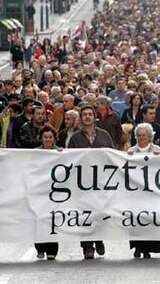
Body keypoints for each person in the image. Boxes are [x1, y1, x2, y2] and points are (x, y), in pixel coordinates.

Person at [68, 105, 114, 259]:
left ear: (95, 117)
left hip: (101, 182)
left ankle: (99, 238)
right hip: (82, 183)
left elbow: (111, 156)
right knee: (85, 215)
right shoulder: (75, 138)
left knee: (100, 212)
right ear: (80, 118)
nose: (87, 117)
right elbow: (69, 158)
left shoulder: (104, 135)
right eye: (84, 115)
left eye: (90, 114)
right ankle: (87, 246)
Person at [127, 123, 160, 259]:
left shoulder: (157, 149)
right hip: (136, 191)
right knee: (136, 219)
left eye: (144, 135)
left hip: (152, 191)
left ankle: (148, 248)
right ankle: (138, 246)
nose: (141, 138)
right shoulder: (131, 150)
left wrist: (159, 157)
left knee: (151, 219)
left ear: (150, 137)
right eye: (139, 135)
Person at [35, 124, 61, 260]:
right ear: (41, 138)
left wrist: (64, 154)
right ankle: (40, 247)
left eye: (50, 137)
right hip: (39, 191)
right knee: (38, 219)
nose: (48, 139)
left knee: (53, 219)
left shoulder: (60, 153)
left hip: (55, 193)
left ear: (54, 138)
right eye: (45, 137)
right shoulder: (35, 153)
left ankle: (52, 249)